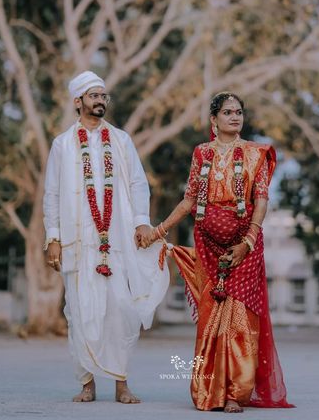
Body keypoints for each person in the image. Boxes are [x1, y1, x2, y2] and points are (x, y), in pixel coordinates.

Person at [139, 92, 294, 413]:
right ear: (214, 120)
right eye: (227, 112)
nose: (235, 117)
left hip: (246, 246)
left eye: (239, 112)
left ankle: (236, 392)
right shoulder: (201, 154)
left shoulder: (256, 155)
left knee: (239, 317)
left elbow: (262, 200)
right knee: (211, 318)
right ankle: (211, 388)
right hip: (208, 245)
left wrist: (247, 241)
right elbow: (190, 200)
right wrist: (158, 231)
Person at [43, 70, 169, 403]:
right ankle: (87, 383)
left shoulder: (122, 140)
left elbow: (139, 183)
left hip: (117, 238)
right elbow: (52, 193)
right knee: (80, 310)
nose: (100, 100)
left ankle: (121, 382)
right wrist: (52, 236)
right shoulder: (63, 145)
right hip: (79, 241)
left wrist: (142, 221)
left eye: (103, 95)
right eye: (94, 95)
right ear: (78, 101)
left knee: (121, 309)